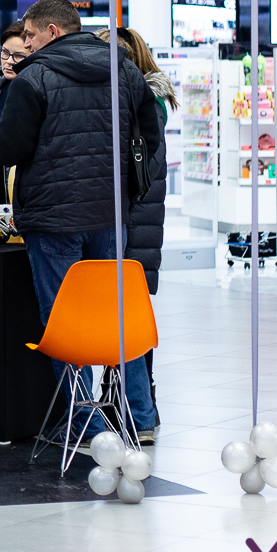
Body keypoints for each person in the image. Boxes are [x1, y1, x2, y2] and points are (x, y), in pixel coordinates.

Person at [0, 0, 163, 442]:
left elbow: (10, 148)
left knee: (64, 323)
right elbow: (150, 134)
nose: (25, 44)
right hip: (110, 214)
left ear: (52, 31)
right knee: (118, 316)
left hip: (53, 220)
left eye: (30, 35)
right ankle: (140, 417)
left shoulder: (34, 78)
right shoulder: (124, 71)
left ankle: (86, 425)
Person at [111, 26, 173, 444]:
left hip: (133, 220)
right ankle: (140, 404)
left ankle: (139, 406)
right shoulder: (151, 100)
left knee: (127, 314)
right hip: (142, 221)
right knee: (130, 312)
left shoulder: (139, 101)